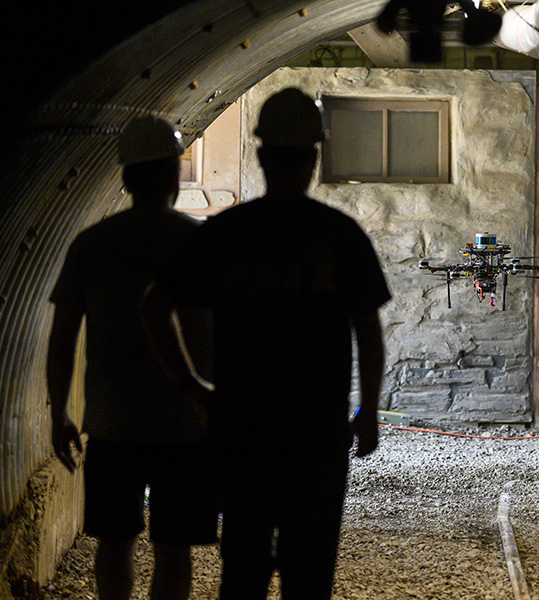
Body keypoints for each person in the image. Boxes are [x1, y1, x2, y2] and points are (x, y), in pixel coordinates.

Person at [142, 87, 390, 600]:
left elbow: (154, 306)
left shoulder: (225, 233)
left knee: (244, 570)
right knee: (310, 572)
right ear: (314, 159)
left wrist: (192, 387)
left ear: (260, 155)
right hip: (316, 435)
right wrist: (367, 411)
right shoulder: (340, 235)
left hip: (241, 431)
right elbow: (367, 328)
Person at [47, 116, 218, 600]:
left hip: (112, 424)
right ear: (174, 174)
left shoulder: (91, 245)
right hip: (187, 424)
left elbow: (61, 340)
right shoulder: (202, 243)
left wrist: (59, 412)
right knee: (174, 548)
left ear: (123, 178)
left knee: (115, 542)